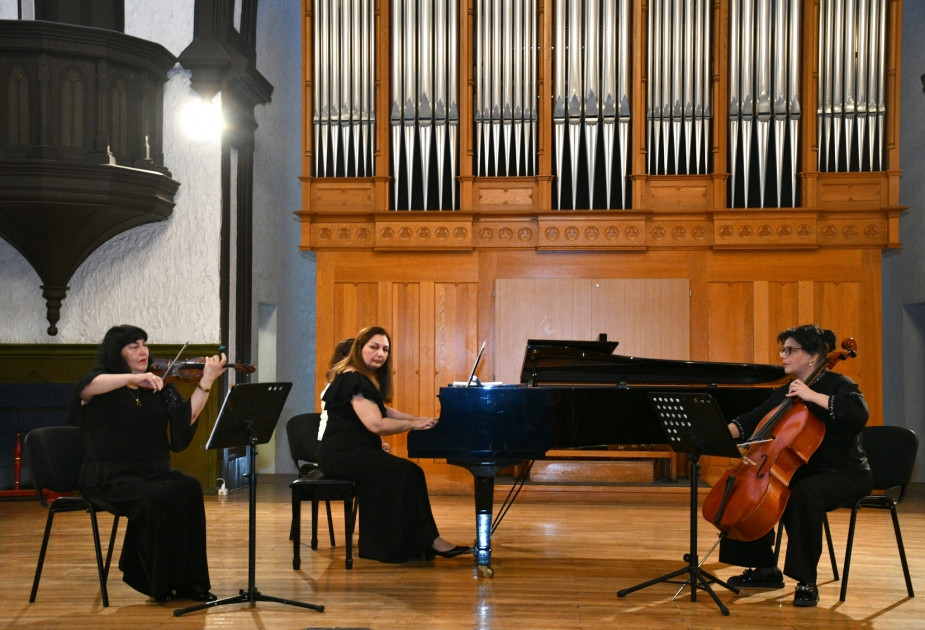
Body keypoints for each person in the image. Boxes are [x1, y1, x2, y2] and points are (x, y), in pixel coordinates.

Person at [67, 324, 228, 603]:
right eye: (134, 346)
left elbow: (184, 422)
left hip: (150, 473)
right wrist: (132, 378)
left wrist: (207, 382)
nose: (143, 351)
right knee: (161, 497)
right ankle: (153, 580)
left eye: (144, 344)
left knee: (188, 488)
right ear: (117, 353)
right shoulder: (101, 382)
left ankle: (190, 583)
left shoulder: (158, 385)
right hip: (109, 478)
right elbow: (85, 390)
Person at [719, 324, 871, 607]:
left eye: (790, 350)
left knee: (802, 494)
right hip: (803, 470)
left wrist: (812, 396)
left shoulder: (839, 385)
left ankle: (806, 581)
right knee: (751, 489)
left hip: (844, 472)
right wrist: (717, 431)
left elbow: (858, 413)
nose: (783, 356)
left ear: (813, 356)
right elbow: (753, 419)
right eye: (782, 349)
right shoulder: (786, 391)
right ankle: (765, 568)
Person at [318, 325, 471, 563]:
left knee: (410, 472)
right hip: (342, 455)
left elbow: (383, 409)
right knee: (406, 472)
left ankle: (421, 542)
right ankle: (412, 543)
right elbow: (377, 424)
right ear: (359, 348)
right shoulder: (353, 378)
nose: (381, 353)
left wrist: (416, 418)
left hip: (355, 450)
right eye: (374, 347)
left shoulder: (360, 378)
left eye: (386, 349)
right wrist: (413, 425)